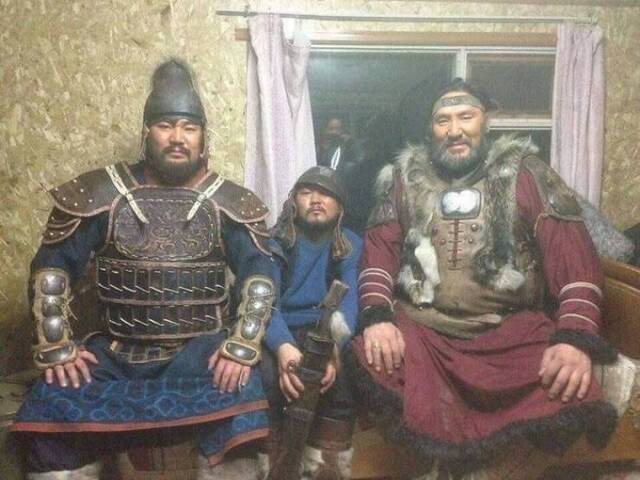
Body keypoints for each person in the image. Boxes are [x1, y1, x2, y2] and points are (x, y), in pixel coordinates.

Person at [11, 59, 276, 480]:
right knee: (52, 400)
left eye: (189, 128)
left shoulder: (228, 201)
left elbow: (259, 276)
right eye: (165, 126)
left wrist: (240, 345)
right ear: (146, 133)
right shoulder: (103, 191)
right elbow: (52, 269)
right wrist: (57, 345)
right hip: (117, 351)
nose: (177, 138)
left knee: (240, 395)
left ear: (203, 137)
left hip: (198, 351)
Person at [348, 78, 618, 478]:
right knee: (370, 358)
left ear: (485, 121)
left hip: (508, 331)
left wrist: (575, 338)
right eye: (443, 120)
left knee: (566, 382)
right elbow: (378, 250)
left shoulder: (527, 174)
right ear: (430, 129)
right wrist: (378, 318)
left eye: (466, 117)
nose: (454, 130)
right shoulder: (405, 179)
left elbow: (572, 256)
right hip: (425, 330)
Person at [260, 166, 362, 479]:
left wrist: (333, 348)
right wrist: (282, 347)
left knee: (344, 379)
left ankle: (326, 468)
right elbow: (265, 302)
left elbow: (349, 303)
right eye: (307, 192)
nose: (316, 199)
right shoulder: (273, 242)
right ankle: (276, 468)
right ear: (294, 202)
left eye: (326, 194)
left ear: (340, 207)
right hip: (280, 328)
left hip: (324, 330)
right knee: (266, 379)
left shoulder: (349, 244)